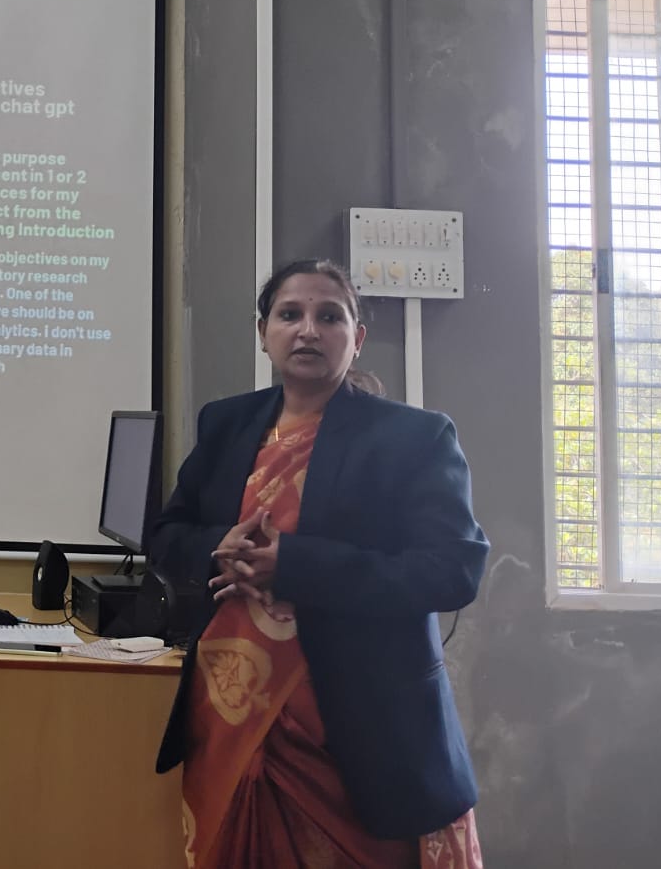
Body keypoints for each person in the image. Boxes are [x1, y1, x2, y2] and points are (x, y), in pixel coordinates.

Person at [148, 259, 488, 868]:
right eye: (290, 314)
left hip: (357, 731)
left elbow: (452, 570)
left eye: (329, 316)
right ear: (264, 333)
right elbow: (167, 535)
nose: (308, 330)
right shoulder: (226, 424)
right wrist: (216, 545)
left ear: (356, 339)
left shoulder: (414, 439)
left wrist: (297, 566)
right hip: (233, 714)